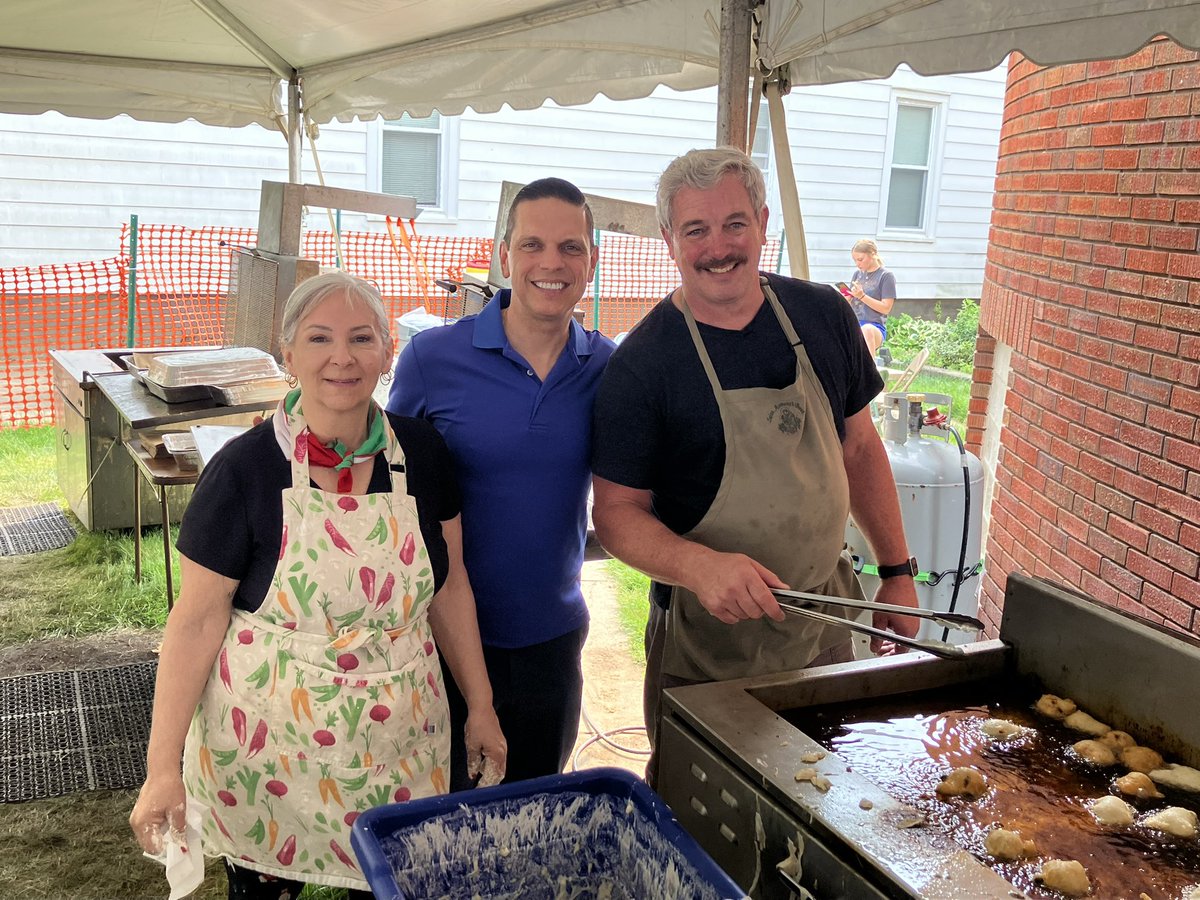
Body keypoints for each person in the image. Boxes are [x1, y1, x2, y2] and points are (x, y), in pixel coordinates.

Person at [130, 272, 506, 899]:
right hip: (267, 750)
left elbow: (450, 587)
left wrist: (483, 706)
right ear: (288, 354)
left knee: (390, 884)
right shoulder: (244, 470)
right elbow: (194, 622)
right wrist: (160, 768)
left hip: (398, 742)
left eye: (362, 338)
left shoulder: (422, 454)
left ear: (387, 353)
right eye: (320, 338)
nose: (343, 357)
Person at [589, 148, 920, 786]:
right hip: (710, 649)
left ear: (763, 223)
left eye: (734, 224)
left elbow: (859, 448)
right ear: (669, 240)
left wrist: (898, 573)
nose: (718, 247)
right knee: (709, 815)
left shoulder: (822, 315)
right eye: (696, 230)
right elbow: (616, 513)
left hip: (823, 621)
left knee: (825, 799)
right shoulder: (644, 364)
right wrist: (698, 565)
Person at [387, 177, 616, 788]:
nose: (551, 263)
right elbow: (387, 494)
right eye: (533, 245)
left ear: (590, 261)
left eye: (571, 248)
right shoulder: (432, 360)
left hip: (551, 636)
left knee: (534, 818)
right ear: (505, 254)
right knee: (442, 822)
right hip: (438, 638)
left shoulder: (607, 368)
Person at [847, 238, 896, 358]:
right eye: (855, 260)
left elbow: (886, 308)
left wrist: (862, 296)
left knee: (867, 330)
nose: (857, 264)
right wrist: (847, 298)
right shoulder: (857, 274)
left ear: (873, 254)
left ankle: (869, 373)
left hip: (874, 327)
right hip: (854, 323)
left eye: (860, 259)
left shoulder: (886, 276)